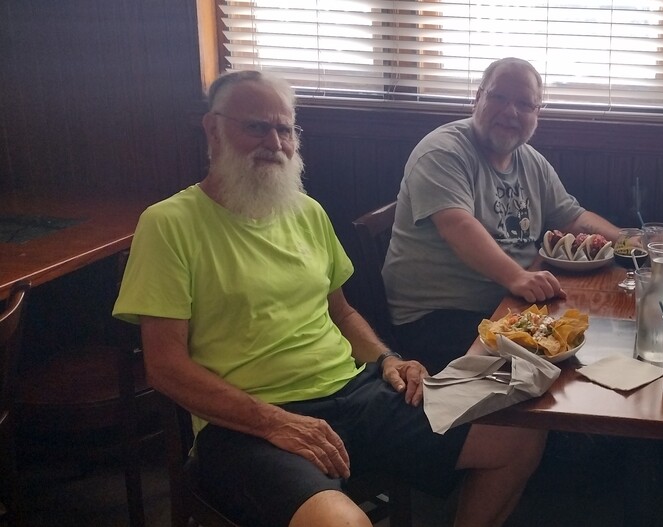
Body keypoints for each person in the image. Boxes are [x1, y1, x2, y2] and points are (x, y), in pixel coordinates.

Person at [112, 70, 546, 527]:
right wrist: (272, 421)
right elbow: (164, 367)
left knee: (517, 439)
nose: (274, 142)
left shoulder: (306, 212)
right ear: (212, 129)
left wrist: (387, 360)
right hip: (246, 425)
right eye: (256, 127)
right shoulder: (168, 224)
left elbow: (341, 311)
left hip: (354, 395)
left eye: (285, 129)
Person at [383, 57, 621, 373]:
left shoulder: (531, 161)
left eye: (524, 104)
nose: (510, 112)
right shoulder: (442, 151)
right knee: (554, 372)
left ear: (537, 113)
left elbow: (572, 218)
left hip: (510, 304)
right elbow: (457, 225)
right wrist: (518, 277)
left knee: (590, 350)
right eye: (498, 97)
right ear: (477, 97)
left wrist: (630, 240)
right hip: (439, 315)